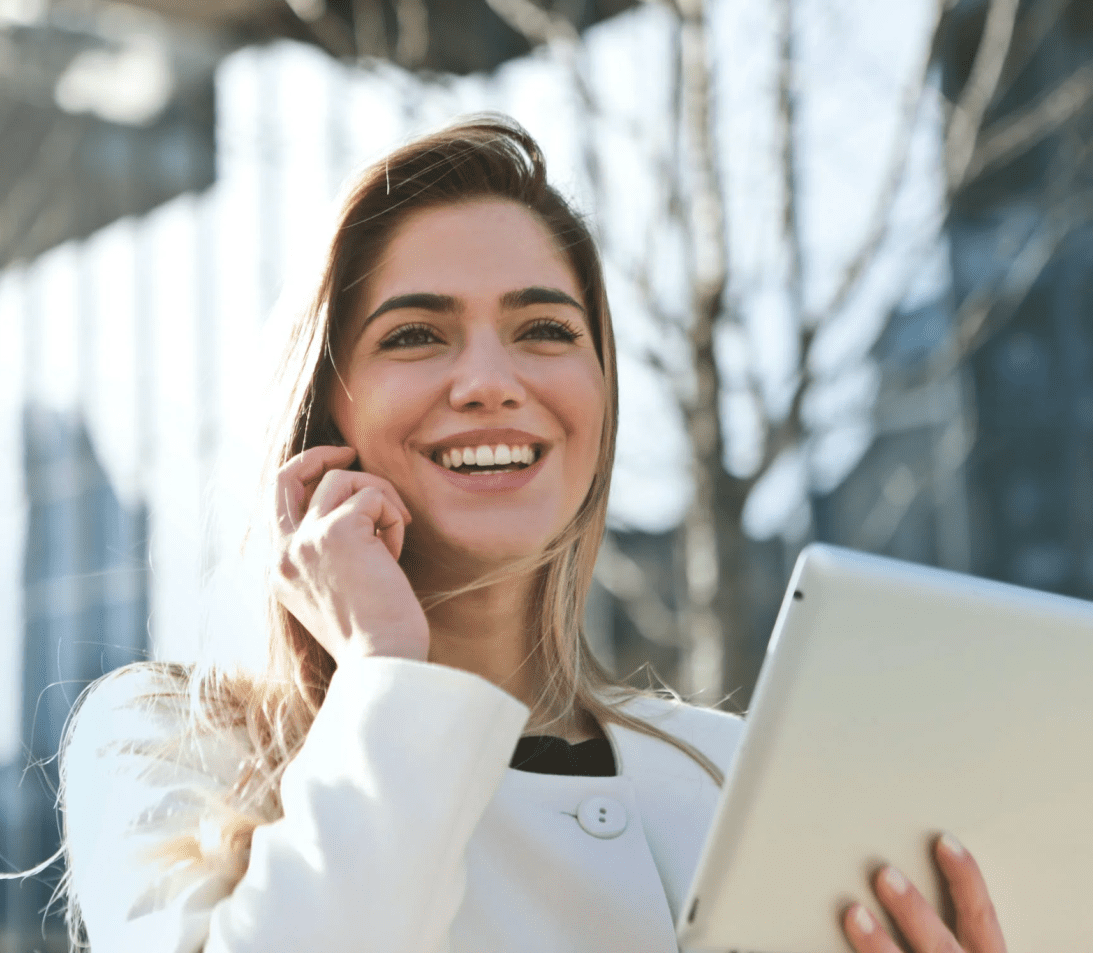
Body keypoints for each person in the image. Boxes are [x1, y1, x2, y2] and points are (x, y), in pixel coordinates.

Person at [58, 116, 1006, 953]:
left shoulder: (730, 771)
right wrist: (388, 669)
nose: (489, 380)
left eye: (545, 330)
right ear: (322, 413)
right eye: (416, 335)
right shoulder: (162, 742)